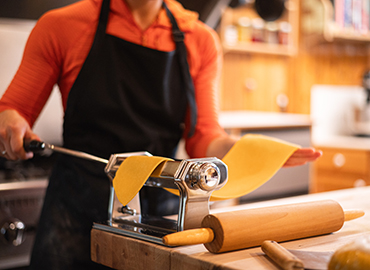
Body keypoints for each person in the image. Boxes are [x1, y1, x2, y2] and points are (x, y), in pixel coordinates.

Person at [0, 0, 322, 268]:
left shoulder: (201, 40)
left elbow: (204, 137)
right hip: (75, 212)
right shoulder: (62, 25)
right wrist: (10, 123)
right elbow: (14, 109)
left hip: (159, 218)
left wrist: (250, 153)